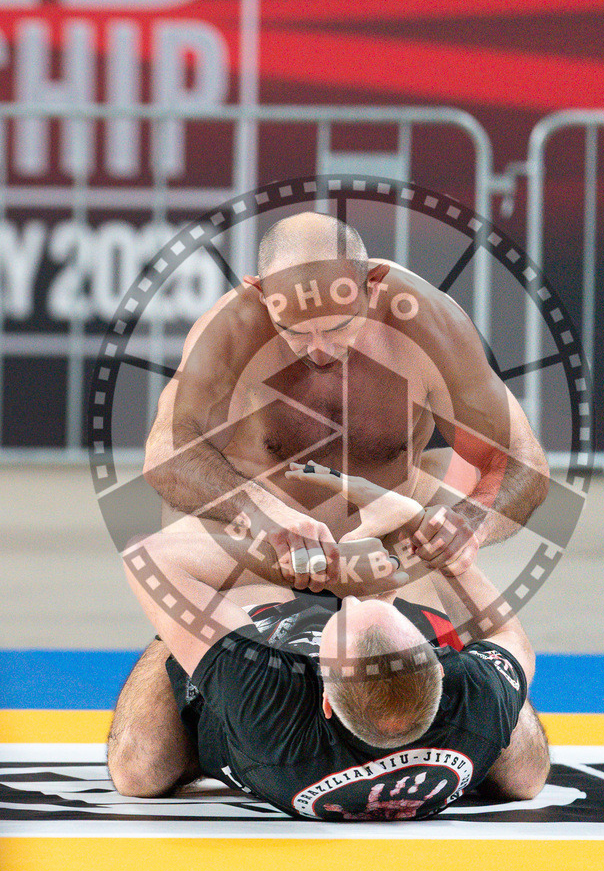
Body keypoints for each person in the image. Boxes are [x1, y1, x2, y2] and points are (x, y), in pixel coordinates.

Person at [109, 465, 550, 821]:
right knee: (526, 772)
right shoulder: (473, 700)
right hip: (409, 672)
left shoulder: (268, 696)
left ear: (322, 697)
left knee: (139, 766)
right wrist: (440, 550)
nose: (342, 599)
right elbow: (511, 640)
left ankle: (364, 554)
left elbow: (147, 558)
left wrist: (294, 561)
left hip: (265, 659)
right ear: (441, 668)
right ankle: (385, 555)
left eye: (344, 607)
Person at [142, 212, 549, 593]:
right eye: (295, 332)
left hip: (388, 554)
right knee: (165, 663)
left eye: (338, 326)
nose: (319, 350)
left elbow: (522, 459)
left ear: (373, 285)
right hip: (268, 555)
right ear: (261, 295)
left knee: (494, 647)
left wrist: (470, 523)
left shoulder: (427, 322)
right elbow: (165, 450)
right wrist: (264, 513)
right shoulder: (233, 328)